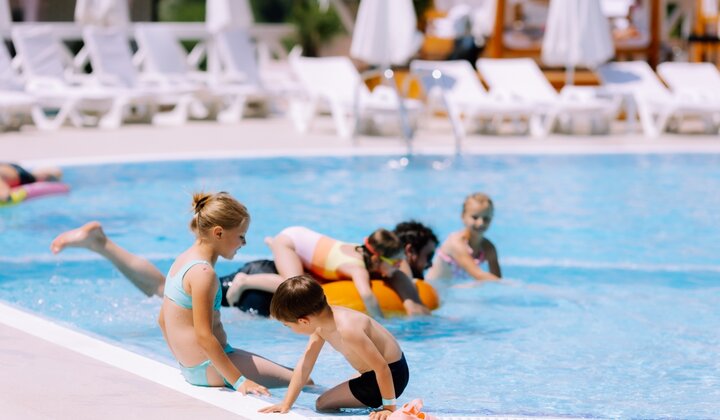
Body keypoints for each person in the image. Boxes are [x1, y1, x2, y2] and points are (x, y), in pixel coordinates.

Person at [50, 220, 438, 317]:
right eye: (398, 264)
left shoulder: (369, 257)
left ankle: (102, 245)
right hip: (257, 277)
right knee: (163, 292)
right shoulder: (361, 269)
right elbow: (369, 297)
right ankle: (103, 245)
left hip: (273, 261)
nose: (400, 270)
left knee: (166, 291)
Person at [153, 192, 297, 393]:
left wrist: (185, 362)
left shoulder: (182, 260)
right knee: (303, 381)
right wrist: (240, 382)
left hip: (195, 365)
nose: (244, 243)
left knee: (293, 373)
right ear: (219, 233)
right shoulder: (203, 274)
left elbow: (163, 320)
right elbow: (204, 336)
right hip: (210, 366)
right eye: (241, 236)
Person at [259, 275, 408, 418]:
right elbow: (305, 365)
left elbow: (382, 368)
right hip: (383, 372)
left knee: (323, 404)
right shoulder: (322, 321)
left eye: (288, 325)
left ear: (304, 321)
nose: (290, 329)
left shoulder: (348, 329)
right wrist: (286, 403)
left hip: (391, 376)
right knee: (340, 388)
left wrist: (388, 408)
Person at [258, 226, 430, 318]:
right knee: (295, 286)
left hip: (304, 238)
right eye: (395, 262)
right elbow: (367, 296)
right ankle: (247, 280)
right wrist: (380, 321)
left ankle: (274, 244)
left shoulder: (366, 253)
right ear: (376, 259)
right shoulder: (357, 268)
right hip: (291, 243)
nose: (399, 266)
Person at [426, 192, 501, 282]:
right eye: (475, 217)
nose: (481, 223)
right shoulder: (455, 243)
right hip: (431, 288)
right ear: (463, 216)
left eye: (486, 219)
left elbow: (498, 281)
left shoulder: (489, 248)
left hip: (454, 288)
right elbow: (478, 275)